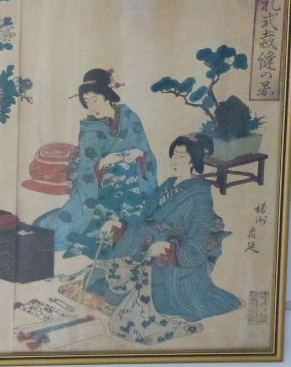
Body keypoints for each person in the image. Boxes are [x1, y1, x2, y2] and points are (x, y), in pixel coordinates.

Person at [90, 134, 241, 344]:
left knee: (150, 299)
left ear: (194, 160)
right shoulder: (169, 183)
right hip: (148, 243)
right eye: (174, 155)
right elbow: (144, 217)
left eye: (181, 156)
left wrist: (169, 249)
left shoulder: (201, 195)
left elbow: (197, 242)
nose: (175, 160)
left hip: (173, 261)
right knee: (108, 281)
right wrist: (120, 226)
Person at [35, 69, 157, 255]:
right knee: (74, 225)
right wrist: (102, 163)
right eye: (87, 101)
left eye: (95, 100)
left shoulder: (129, 116)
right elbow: (86, 165)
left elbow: (144, 148)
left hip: (134, 179)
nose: (92, 106)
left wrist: (139, 153)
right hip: (103, 184)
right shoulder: (89, 128)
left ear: (107, 96)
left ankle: (129, 226)